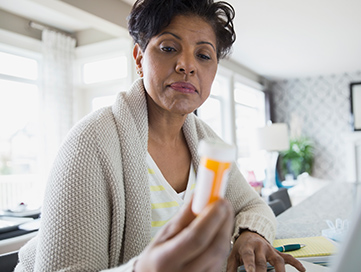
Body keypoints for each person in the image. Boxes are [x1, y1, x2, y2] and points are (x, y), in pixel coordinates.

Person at [15, 0, 305, 271]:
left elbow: (253, 205)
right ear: (139, 58)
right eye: (168, 48)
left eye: (203, 55)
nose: (187, 65)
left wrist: (251, 234)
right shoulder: (90, 143)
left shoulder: (206, 142)